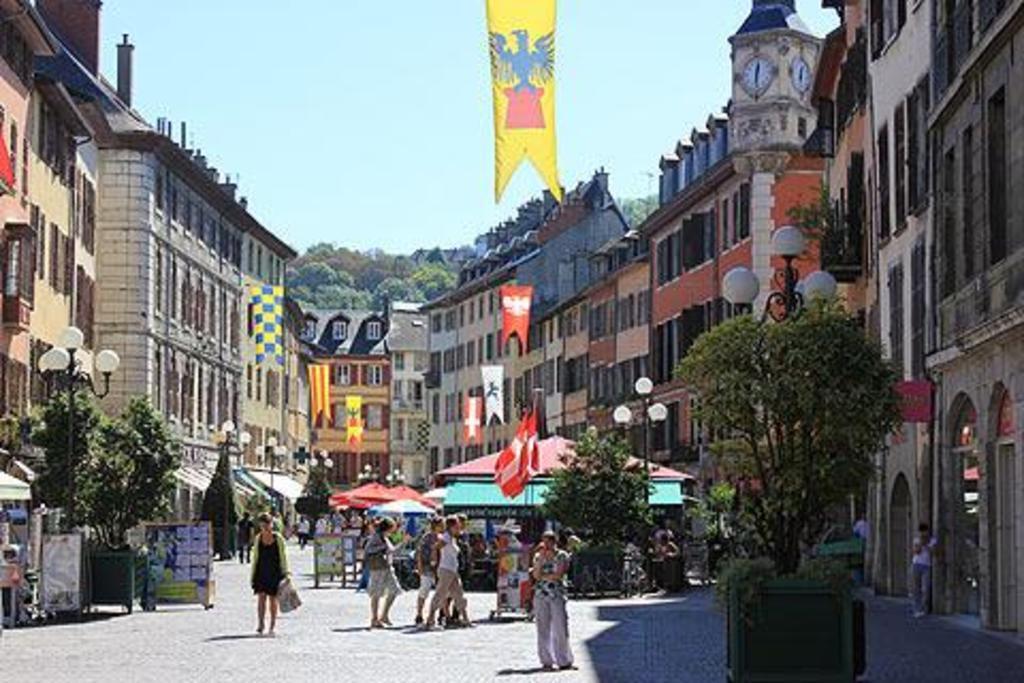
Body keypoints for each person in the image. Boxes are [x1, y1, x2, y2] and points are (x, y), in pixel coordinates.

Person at [532, 530, 574, 671]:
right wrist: (542, 563)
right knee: (542, 627)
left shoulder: (562, 555)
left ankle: (563, 660)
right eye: (544, 540)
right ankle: (546, 660)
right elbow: (536, 575)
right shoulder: (539, 556)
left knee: (560, 626)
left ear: (554, 541)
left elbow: (558, 574)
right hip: (540, 594)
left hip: (556, 594)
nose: (546, 543)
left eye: (549, 540)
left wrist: (544, 575)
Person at [425, 516, 469, 629]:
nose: (459, 527)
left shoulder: (451, 538)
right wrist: (433, 559)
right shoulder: (446, 537)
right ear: (451, 526)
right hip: (446, 570)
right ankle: (430, 619)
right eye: (457, 526)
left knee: (459, 594)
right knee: (440, 593)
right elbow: (436, 547)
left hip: (452, 570)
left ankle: (465, 619)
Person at [251, 512, 290, 636]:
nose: (266, 529)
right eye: (263, 526)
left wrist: (286, 572)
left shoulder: (278, 538)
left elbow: (283, 556)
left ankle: (272, 625)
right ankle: (261, 623)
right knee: (261, 598)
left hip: (275, 572)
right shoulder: (258, 538)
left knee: (273, 599)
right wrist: (252, 575)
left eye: (267, 526)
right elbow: (255, 557)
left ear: (271, 525)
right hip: (261, 571)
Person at [364, 517, 401, 628]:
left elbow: (392, 550)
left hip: (387, 567)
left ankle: (384, 615)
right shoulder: (376, 537)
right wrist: (383, 547)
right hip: (378, 567)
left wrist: (403, 542)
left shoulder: (385, 537)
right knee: (376, 593)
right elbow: (368, 550)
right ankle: (374, 619)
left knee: (394, 590)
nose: (393, 530)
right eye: (392, 528)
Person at [414, 517, 444, 626]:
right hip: (427, 568)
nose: (443, 526)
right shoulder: (426, 537)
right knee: (424, 591)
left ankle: (440, 614)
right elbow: (419, 552)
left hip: (439, 569)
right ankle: (419, 614)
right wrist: (419, 566)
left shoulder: (442, 537)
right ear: (436, 525)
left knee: (440, 593)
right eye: (441, 524)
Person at [911, 522, 937, 618]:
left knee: (926, 588)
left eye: (924, 532)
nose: (923, 534)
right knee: (916, 588)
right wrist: (921, 543)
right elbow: (916, 552)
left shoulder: (932, 540)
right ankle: (917, 609)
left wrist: (927, 544)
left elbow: (933, 553)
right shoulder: (917, 540)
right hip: (916, 564)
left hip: (927, 566)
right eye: (921, 532)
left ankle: (924, 608)